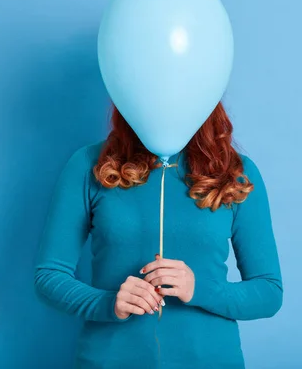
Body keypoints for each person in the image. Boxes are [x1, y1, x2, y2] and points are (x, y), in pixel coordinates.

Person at [35, 102, 283, 369]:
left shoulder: (235, 172)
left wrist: (200, 289)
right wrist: (108, 303)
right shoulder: (88, 165)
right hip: (109, 360)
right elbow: (49, 275)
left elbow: (269, 292)